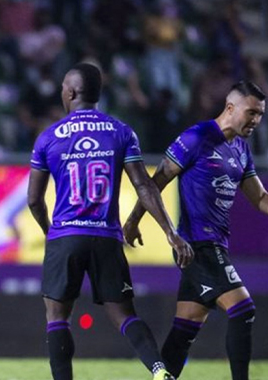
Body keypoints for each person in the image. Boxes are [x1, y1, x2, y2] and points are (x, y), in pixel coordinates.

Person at [123, 81, 268, 380]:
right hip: (196, 245)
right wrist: (134, 220)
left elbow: (261, 198)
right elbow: (156, 182)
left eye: (261, 115)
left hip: (215, 244)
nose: (256, 121)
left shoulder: (240, 149)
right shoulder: (196, 137)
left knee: (185, 328)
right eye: (251, 112)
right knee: (243, 310)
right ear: (230, 108)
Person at [27, 63, 194, 380]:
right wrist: (170, 232)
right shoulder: (121, 131)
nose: (62, 92)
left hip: (65, 235)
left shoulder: (48, 137)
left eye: (64, 87)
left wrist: (51, 233)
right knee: (124, 315)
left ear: (72, 92)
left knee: (57, 316)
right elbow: (143, 185)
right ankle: (159, 371)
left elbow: (34, 200)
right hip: (106, 236)